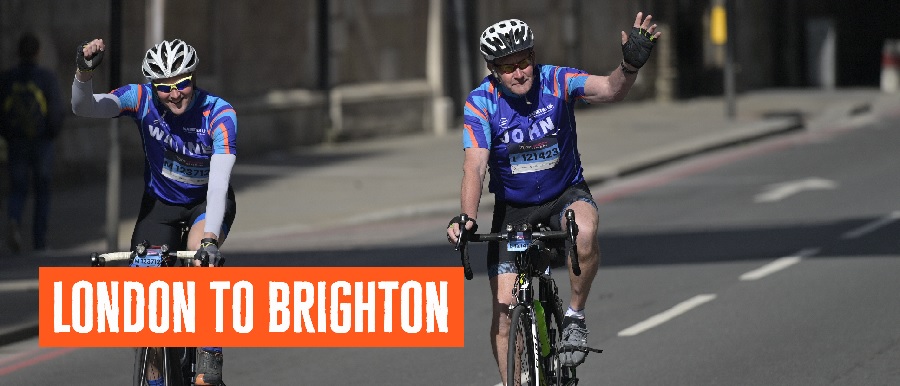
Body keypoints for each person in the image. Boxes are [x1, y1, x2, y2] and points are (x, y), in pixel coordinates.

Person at [447, 13, 661, 384]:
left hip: (565, 195)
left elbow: (609, 90)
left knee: (585, 230)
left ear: (534, 56)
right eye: (507, 66)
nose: (519, 72)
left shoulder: (556, 80)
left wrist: (629, 65)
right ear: (492, 69)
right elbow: (474, 166)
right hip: (514, 209)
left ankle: (575, 318)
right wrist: (466, 218)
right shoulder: (480, 103)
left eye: (524, 61)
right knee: (503, 314)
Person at [71, 38, 236, 386]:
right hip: (160, 206)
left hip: (205, 203)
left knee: (199, 264)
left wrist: (208, 241)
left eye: (182, 83)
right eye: (165, 87)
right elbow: (84, 108)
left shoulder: (219, 113)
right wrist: (84, 74)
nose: (175, 94)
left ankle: (210, 355)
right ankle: (156, 377)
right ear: (153, 86)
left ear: (194, 76)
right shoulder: (141, 99)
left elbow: (220, 182)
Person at [0, 33, 65, 253]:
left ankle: (14, 219)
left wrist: (8, 135)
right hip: (42, 142)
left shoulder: (7, 78)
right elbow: (56, 111)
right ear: (38, 52)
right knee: (42, 191)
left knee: (17, 188)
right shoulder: (46, 77)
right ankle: (39, 242)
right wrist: (51, 134)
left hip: (16, 141)